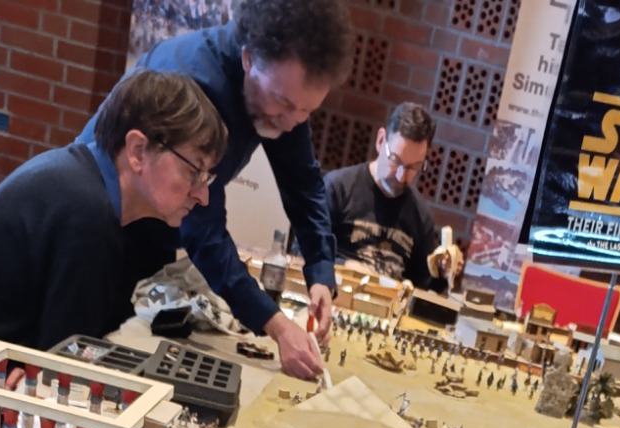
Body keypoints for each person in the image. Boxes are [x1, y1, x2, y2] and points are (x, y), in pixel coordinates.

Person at [0, 68, 225, 428]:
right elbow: (60, 380)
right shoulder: (86, 214)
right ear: (138, 151)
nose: (202, 195)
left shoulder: (81, 179)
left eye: (207, 177)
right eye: (194, 171)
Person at [84, 0, 352, 381]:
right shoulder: (196, 83)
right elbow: (203, 231)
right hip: (99, 233)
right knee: (83, 358)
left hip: (150, 236)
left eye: (307, 111)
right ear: (248, 59)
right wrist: (277, 326)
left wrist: (320, 273)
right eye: (284, 104)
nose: (293, 123)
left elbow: (304, 182)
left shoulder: (280, 90)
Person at [324, 102, 459, 291]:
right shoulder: (338, 188)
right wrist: (346, 267)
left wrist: (443, 274)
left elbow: (423, 291)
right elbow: (302, 254)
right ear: (381, 141)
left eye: (413, 167)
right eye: (396, 160)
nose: (401, 176)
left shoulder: (421, 216)